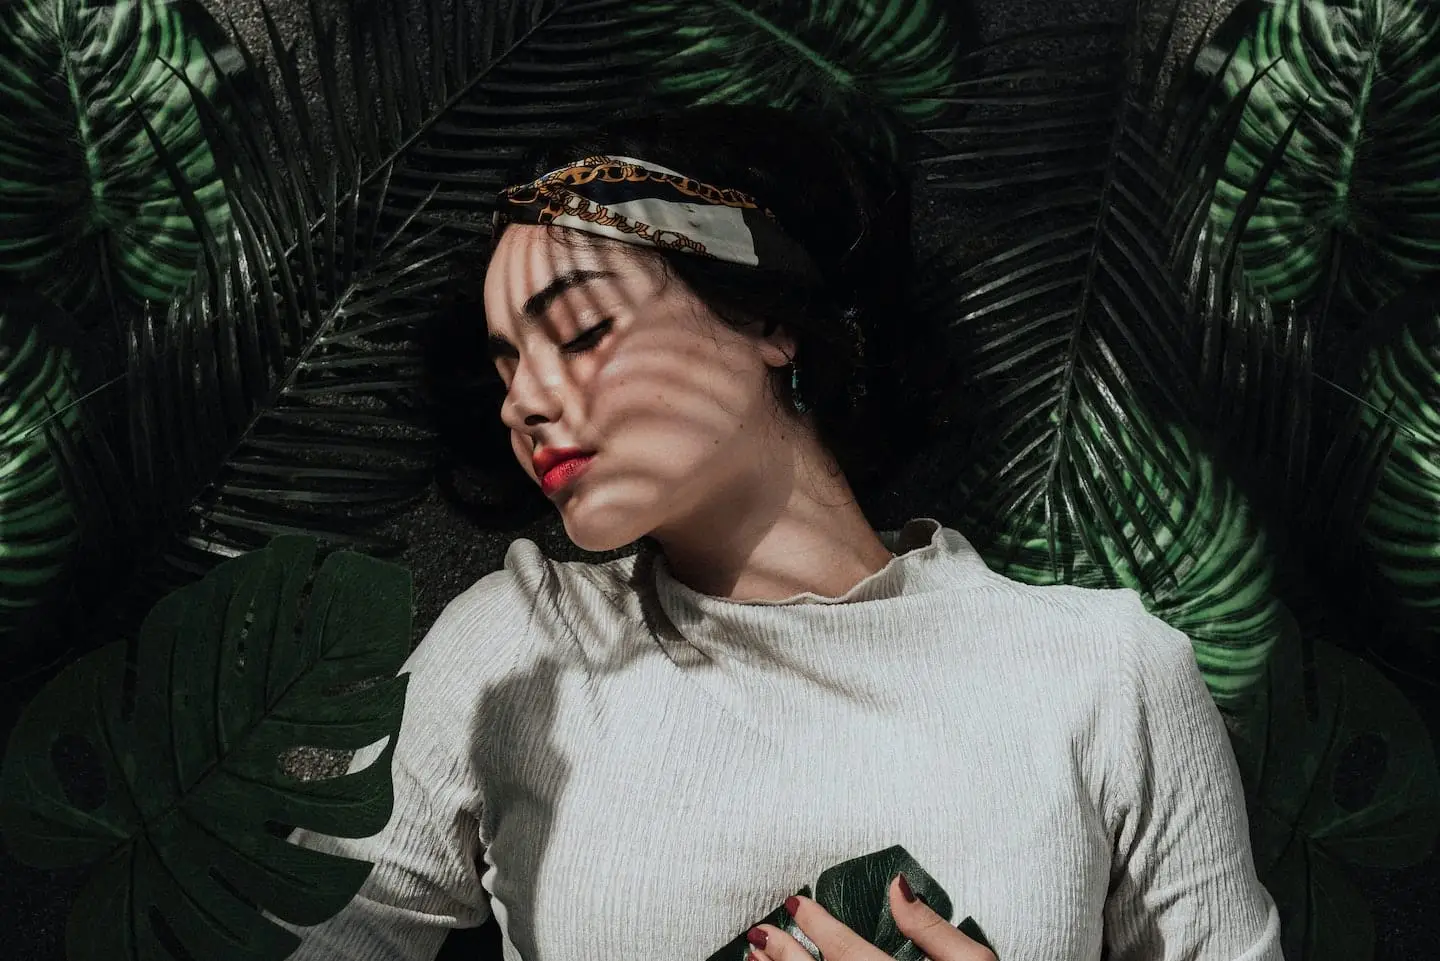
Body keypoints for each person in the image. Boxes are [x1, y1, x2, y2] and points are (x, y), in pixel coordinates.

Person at [264, 103, 1283, 961]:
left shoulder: (1104, 675)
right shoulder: (519, 649)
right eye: (506, 366)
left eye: (581, 331)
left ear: (767, 320)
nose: (524, 401)